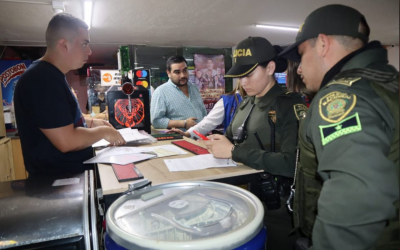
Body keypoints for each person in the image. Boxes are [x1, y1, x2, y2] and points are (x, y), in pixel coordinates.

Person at [278, 4, 399, 249]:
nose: (299, 68)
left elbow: (356, 200)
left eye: (301, 54)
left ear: (323, 44)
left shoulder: (341, 97)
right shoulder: (385, 83)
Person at [202, 37, 307, 250]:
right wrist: (219, 143)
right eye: (241, 76)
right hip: (241, 201)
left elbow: (291, 164)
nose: (243, 83)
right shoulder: (246, 103)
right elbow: (231, 140)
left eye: (249, 75)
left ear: (270, 68)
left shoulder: (289, 104)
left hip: (276, 208)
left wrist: (233, 151)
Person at [14, 13, 126, 177]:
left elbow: (63, 120)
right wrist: (103, 132)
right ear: (64, 45)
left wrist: (93, 122)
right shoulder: (42, 80)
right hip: (56, 184)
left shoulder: (51, 76)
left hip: (68, 176)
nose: (89, 51)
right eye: (84, 44)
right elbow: (67, 141)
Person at [168, 82, 246, 138]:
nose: (246, 81)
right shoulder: (229, 101)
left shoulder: (255, 101)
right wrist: (187, 134)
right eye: (244, 77)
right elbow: (208, 122)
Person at [150, 55, 207, 131]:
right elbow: (156, 122)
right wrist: (184, 123)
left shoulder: (194, 87)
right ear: (168, 73)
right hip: (181, 140)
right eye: (177, 72)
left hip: (202, 138)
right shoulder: (161, 92)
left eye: (185, 70)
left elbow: (203, 112)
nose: (182, 75)